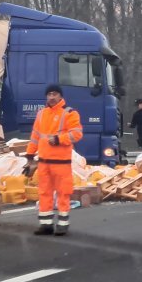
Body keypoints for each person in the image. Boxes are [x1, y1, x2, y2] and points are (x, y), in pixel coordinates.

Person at [24, 84, 83, 236]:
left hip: (61, 162)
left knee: (63, 193)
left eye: (54, 94)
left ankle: (63, 224)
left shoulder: (69, 113)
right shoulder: (41, 114)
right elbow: (35, 136)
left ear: (60, 96)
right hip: (44, 162)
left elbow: (76, 134)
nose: (51, 97)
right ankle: (46, 224)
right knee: (44, 193)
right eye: (49, 94)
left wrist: (58, 139)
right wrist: (30, 155)